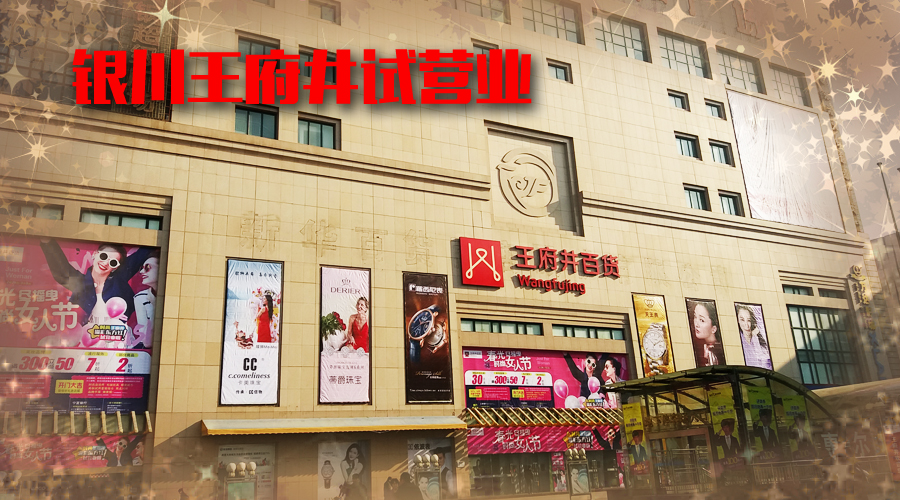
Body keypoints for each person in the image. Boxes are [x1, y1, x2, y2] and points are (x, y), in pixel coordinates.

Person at [40, 239, 152, 328]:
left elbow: (140, 256)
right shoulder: (81, 284)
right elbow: (61, 272)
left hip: (117, 341)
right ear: (95, 254)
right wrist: (47, 242)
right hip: (84, 342)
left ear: (115, 267)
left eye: (113, 262)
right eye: (103, 256)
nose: (105, 263)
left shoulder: (119, 280)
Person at [130, 251, 159, 349]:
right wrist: (154, 306)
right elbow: (147, 342)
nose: (142, 272)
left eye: (147, 267)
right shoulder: (141, 298)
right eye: (141, 268)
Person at [737, 305, 772, 369]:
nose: (746, 324)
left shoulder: (759, 339)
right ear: (738, 321)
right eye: (742, 320)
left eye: (748, 320)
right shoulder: (739, 340)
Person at [691, 301, 725, 367]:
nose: (696, 324)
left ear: (714, 329)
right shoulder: (701, 347)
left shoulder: (717, 352)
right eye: (695, 317)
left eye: (702, 320)